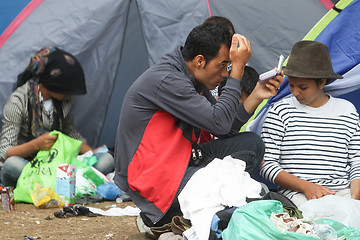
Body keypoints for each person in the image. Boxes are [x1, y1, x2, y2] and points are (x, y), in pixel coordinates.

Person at [114, 21, 283, 227]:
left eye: (228, 66)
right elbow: (219, 124)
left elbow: (224, 128)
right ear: (200, 61)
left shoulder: (191, 77)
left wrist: (256, 94)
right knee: (236, 199)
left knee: (251, 145)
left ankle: (199, 205)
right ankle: (161, 215)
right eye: (223, 65)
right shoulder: (168, 79)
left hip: (182, 162)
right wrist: (237, 69)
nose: (224, 74)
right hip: (156, 180)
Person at [260, 40, 360, 207]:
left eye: (303, 87)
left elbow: (357, 158)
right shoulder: (280, 111)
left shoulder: (346, 111)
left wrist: (355, 198)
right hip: (297, 195)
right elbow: (266, 164)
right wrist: (306, 187)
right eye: (291, 85)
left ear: (322, 82)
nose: (296, 92)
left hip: (343, 192)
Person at [0, 46, 114, 187]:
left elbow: (69, 132)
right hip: (31, 165)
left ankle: (61, 184)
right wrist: (37, 145)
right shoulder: (18, 101)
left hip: (59, 164)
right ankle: (71, 184)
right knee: (11, 165)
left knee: (106, 160)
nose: (70, 94)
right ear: (52, 83)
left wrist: (91, 152)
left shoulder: (64, 101)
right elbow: (5, 152)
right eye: (67, 89)